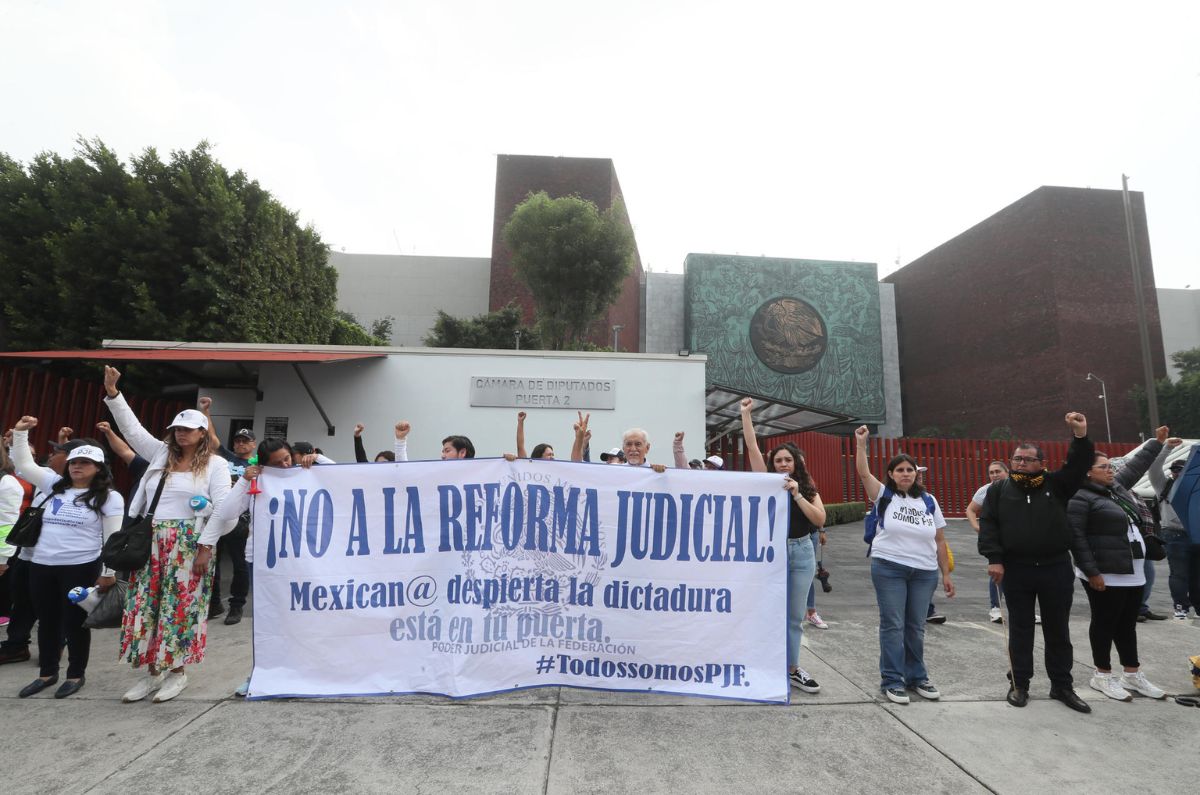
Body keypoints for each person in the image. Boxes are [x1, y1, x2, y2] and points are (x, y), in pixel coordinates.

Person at [102, 365, 232, 703]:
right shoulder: (161, 454)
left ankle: (177, 672)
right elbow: (132, 430)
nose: (182, 434)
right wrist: (114, 394)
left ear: (203, 433)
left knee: (180, 608)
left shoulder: (216, 465)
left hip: (190, 542)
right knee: (145, 607)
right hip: (152, 541)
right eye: (177, 429)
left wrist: (206, 546)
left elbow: (223, 509)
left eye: (189, 429)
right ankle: (151, 672)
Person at [978, 412, 1094, 712]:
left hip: (1055, 567)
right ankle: (1020, 684)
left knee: (1058, 629)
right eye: (1016, 459)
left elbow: (1079, 465)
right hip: (1016, 569)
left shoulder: (1056, 485)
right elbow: (989, 525)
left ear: (1041, 463)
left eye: (1028, 459)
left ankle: (1062, 686)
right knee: (1020, 628)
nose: (1020, 464)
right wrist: (995, 559)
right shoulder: (998, 490)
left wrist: (1080, 435)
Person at [10, 418, 124, 698]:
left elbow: (113, 540)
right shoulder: (55, 485)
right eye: (73, 462)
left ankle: (75, 674)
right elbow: (25, 466)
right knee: (46, 620)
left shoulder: (109, 498)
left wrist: (108, 573)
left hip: (81, 567)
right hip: (42, 565)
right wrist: (22, 433)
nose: (76, 467)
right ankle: (47, 672)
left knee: (74, 623)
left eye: (84, 463)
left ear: (98, 468)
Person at [855, 425, 953, 704]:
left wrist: (946, 573)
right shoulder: (884, 495)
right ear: (891, 474)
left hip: (924, 572)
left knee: (916, 626)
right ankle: (892, 680)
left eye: (910, 470)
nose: (906, 474)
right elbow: (863, 472)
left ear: (916, 473)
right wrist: (861, 444)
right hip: (889, 568)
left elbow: (940, 540)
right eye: (900, 470)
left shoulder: (928, 501)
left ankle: (917, 677)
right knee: (893, 624)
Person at [1068, 428, 1168, 702]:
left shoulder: (1116, 488)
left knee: (1127, 625)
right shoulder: (1080, 497)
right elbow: (1076, 537)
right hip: (1104, 572)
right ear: (1088, 472)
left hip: (1133, 569)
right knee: (1104, 623)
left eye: (1111, 466)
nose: (1110, 470)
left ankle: (1132, 674)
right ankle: (1102, 675)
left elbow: (1136, 466)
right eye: (1104, 467)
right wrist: (1092, 572)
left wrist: (1156, 444)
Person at [740, 398, 825, 692]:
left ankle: (791, 668)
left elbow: (819, 519)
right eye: (778, 461)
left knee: (793, 615)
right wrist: (746, 415)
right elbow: (752, 447)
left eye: (787, 460)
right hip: (771, 554)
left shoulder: (808, 487)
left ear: (796, 463)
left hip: (801, 552)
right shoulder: (766, 482)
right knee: (764, 611)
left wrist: (798, 495)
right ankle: (762, 664)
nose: (783, 464)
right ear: (772, 464)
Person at [201, 436, 295, 696]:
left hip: (301, 562)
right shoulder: (255, 482)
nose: (286, 466)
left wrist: (316, 460)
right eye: (277, 463)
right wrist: (244, 480)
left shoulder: (305, 475)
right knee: (268, 623)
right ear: (262, 466)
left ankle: (299, 671)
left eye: (287, 458)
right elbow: (227, 512)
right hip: (264, 561)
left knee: (298, 620)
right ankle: (260, 674)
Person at [200, 401, 253, 625]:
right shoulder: (226, 458)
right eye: (238, 440)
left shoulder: (259, 464)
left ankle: (237, 606)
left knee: (240, 564)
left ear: (253, 443)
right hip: (216, 515)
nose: (240, 444)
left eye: (245, 440)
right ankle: (213, 603)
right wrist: (206, 412)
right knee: (212, 560)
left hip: (240, 520)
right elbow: (212, 439)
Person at [1149, 438, 1198, 620]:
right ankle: (1180, 607)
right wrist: (1167, 447)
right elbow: (1154, 468)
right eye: (1174, 470)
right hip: (1174, 534)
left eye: (1181, 470)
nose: (1176, 473)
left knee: (1196, 574)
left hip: (1195, 534)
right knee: (1179, 573)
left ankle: (1197, 607)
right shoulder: (1164, 485)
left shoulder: (1195, 487)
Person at [966, 460, 1009, 623]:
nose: (994, 475)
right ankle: (995, 608)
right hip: (996, 538)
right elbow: (970, 509)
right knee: (998, 570)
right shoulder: (985, 490)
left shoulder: (1017, 487)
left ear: (1007, 471)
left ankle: (1023, 609)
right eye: (991, 472)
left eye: (998, 471)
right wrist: (977, 527)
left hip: (1017, 537)